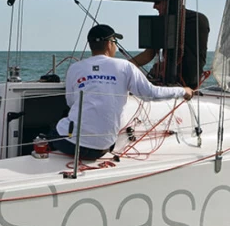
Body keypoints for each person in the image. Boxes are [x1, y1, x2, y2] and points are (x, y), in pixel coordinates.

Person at [51, 24, 193, 160]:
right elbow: (151, 93)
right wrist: (183, 91)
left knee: (51, 128)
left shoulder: (75, 68)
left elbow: (71, 102)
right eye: (115, 42)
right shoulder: (125, 66)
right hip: (102, 148)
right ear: (109, 44)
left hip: (71, 145)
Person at [131, 1, 210, 88]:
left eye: (157, 2)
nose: (154, 6)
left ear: (168, 1)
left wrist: (124, 65)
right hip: (191, 84)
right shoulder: (200, 19)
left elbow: (148, 55)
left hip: (173, 82)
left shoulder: (162, 22)